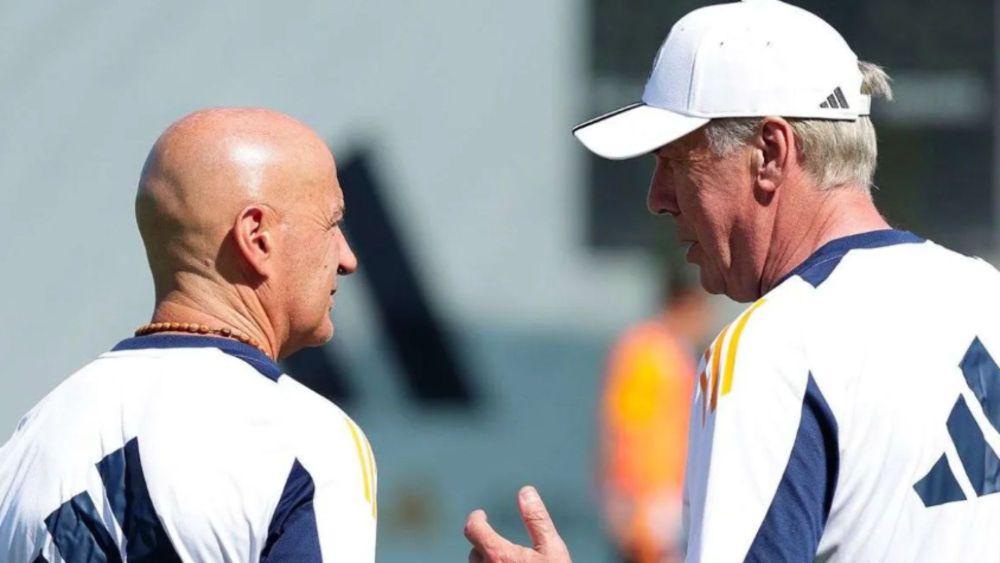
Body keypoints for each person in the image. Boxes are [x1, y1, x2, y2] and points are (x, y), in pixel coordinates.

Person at [464, 1, 1000, 561]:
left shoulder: (776, 348)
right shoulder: (986, 296)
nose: (657, 199)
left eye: (674, 161)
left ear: (769, 153)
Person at [0, 108, 376, 561]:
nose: (348, 257)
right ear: (257, 238)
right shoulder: (306, 438)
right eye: (332, 224)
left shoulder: (28, 445)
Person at [598, 272, 710, 563]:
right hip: (646, 494)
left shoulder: (676, 353)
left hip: (668, 491)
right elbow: (625, 426)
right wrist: (626, 498)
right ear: (684, 305)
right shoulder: (647, 352)